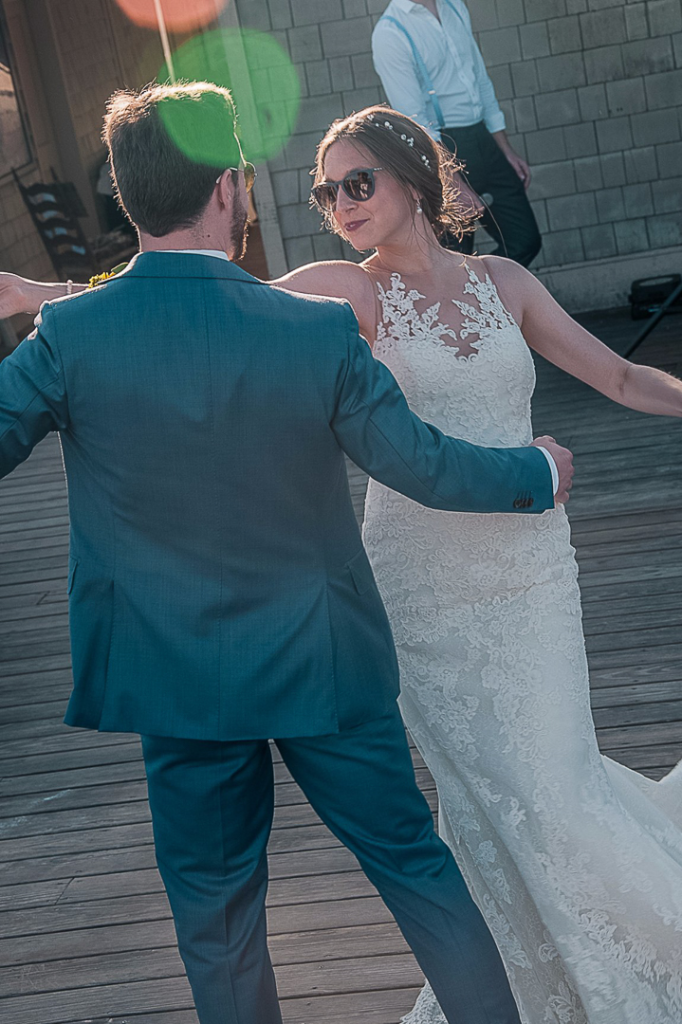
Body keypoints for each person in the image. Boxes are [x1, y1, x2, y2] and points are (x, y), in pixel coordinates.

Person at [0, 83, 574, 1024]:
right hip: (326, 657)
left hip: (177, 677)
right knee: (415, 869)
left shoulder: (69, 337)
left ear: (127, 198)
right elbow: (421, 466)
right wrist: (535, 471)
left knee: (217, 922)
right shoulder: (313, 330)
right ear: (230, 191)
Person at [372, 0, 542, 266]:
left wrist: (504, 148)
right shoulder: (390, 33)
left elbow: (480, 79)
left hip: (483, 137)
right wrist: (452, 179)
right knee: (455, 259)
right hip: (442, 149)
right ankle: (467, 298)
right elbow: (416, 120)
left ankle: (483, 296)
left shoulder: (454, 6)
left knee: (525, 241)